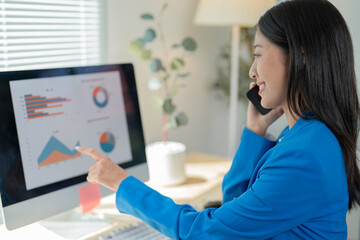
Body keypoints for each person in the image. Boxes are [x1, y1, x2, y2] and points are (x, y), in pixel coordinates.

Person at [76, 0, 360, 239]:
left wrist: (122, 182)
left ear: (301, 57)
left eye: (258, 54)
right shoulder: (304, 135)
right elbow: (233, 210)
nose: (252, 71)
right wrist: (254, 132)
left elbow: (203, 232)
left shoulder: (303, 156)